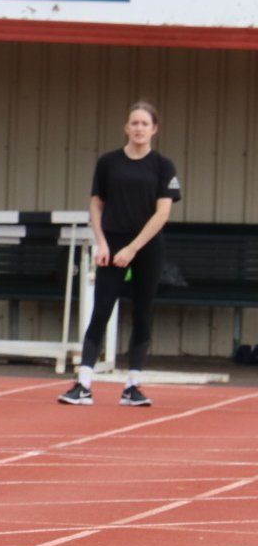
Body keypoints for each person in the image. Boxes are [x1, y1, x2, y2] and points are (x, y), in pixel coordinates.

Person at [58, 102, 179, 409]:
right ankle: (83, 383)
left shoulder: (163, 166)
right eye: (134, 123)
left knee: (142, 312)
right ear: (126, 127)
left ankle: (133, 385)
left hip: (146, 247)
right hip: (111, 244)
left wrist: (133, 248)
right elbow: (96, 204)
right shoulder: (108, 162)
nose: (139, 128)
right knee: (101, 309)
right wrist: (101, 243)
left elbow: (162, 213)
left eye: (144, 124)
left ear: (154, 129)